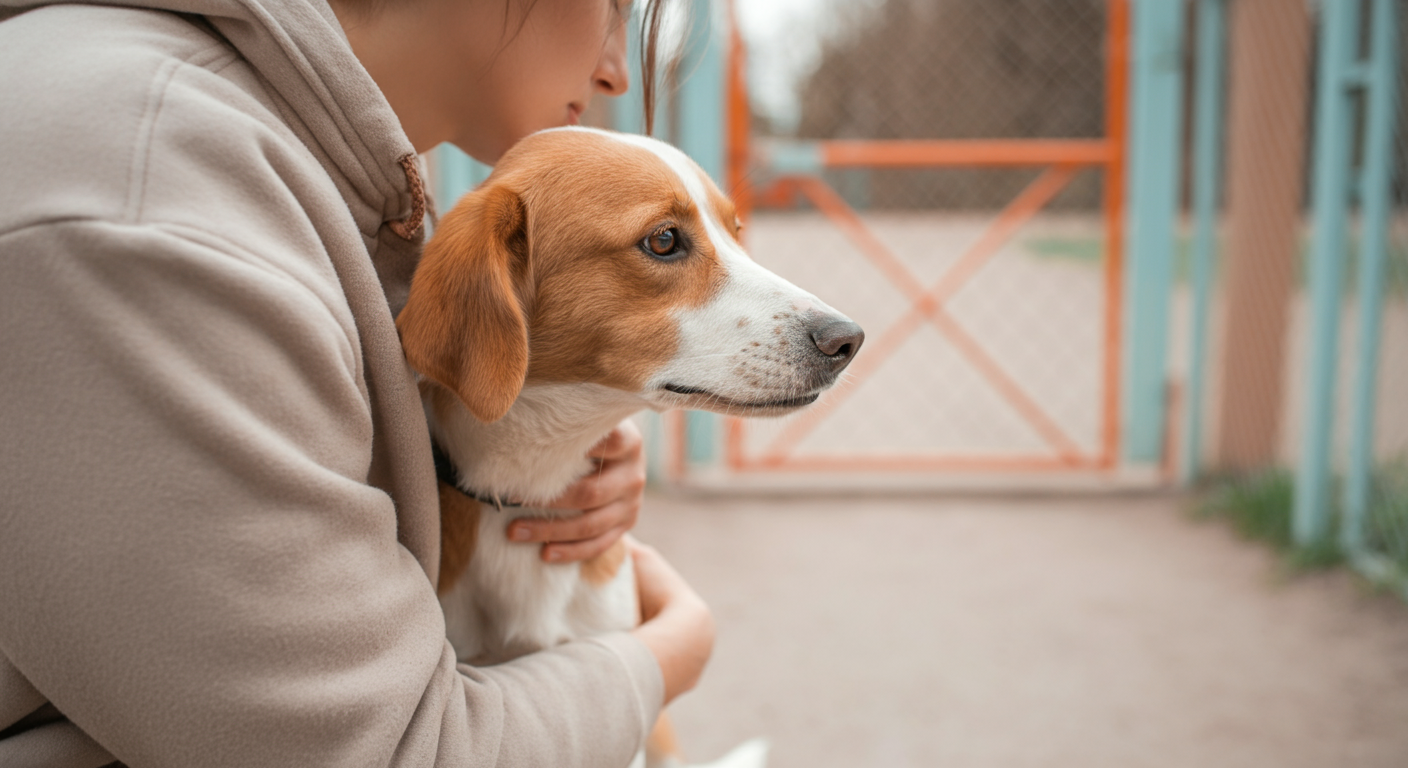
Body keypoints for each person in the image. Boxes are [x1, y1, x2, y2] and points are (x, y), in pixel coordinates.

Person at [0, 0, 714, 765]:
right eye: (614, 9)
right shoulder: (150, 199)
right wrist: (668, 652)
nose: (612, 71)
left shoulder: (279, 150)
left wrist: (548, 441)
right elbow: (382, 750)